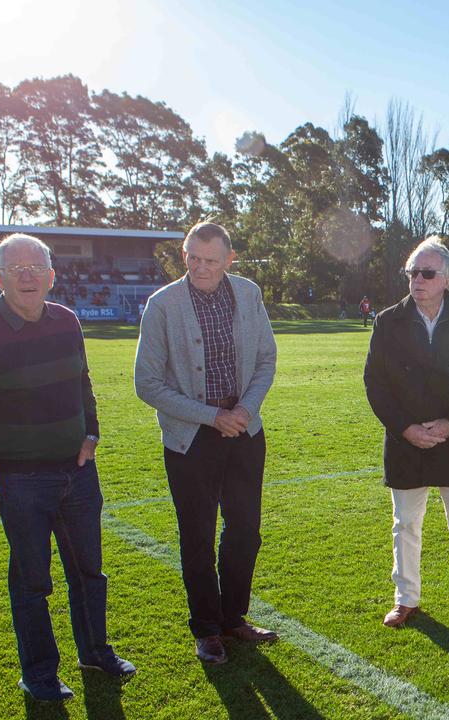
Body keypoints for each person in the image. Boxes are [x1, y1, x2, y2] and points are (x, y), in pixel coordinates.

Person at [0, 233, 133, 702]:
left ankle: (95, 651)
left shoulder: (67, 321)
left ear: (51, 275)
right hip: (20, 480)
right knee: (32, 582)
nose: (27, 275)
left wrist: (92, 433)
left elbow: (82, 383)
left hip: (78, 472)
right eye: (15, 268)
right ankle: (39, 674)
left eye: (35, 267)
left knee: (90, 572)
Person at [134, 222, 279, 665]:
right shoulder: (162, 305)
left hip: (244, 431)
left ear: (229, 259)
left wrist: (244, 411)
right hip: (190, 437)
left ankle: (234, 617)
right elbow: (147, 383)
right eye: (192, 257)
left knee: (245, 531)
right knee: (196, 536)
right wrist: (212, 416)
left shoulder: (248, 293)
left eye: (210, 260)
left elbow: (266, 359)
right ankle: (206, 628)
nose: (200, 266)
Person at [364, 238, 449, 631]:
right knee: (405, 523)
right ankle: (406, 600)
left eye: (426, 273)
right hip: (407, 440)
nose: (417, 280)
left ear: (447, 280)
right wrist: (405, 428)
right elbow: (375, 383)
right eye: (412, 273)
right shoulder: (388, 321)